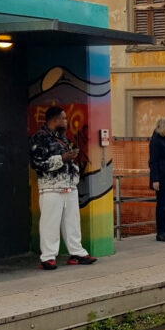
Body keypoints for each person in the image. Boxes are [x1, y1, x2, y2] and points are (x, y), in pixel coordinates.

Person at [28, 106, 97, 269]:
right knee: (50, 223)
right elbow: (37, 164)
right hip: (51, 188)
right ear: (55, 119)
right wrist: (62, 158)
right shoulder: (40, 138)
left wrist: (72, 163)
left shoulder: (62, 138)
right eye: (64, 118)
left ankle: (77, 252)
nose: (66, 121)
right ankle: (48, 257)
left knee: (72, 222)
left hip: (69, 186)